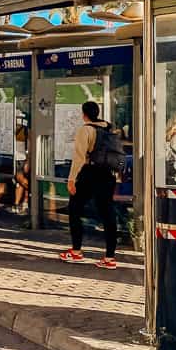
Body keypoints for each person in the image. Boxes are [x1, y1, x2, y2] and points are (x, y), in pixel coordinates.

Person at [58, 100, 119, 269]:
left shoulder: (85, 130)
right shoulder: (109, 128)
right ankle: (110, 257)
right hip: (108, 174)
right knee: (108, 214)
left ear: (83, 114)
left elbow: (79, 157)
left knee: (75, 209)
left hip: (90, 173)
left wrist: (71, 179)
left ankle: (76, 251)